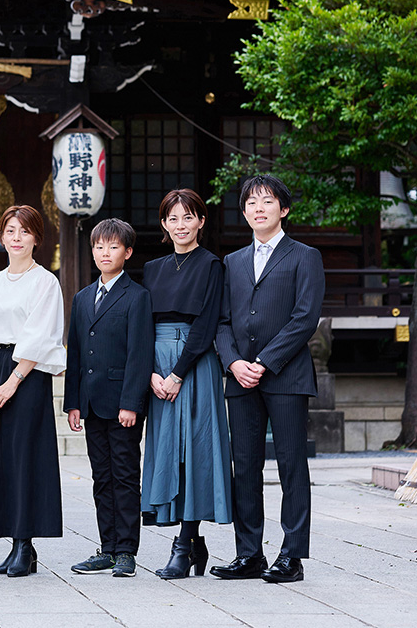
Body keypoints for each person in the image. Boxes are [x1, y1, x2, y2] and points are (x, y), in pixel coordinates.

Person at [212, 174, 324, 584]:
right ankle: (249, 554)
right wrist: (233, 363)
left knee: (292, 465)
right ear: (244, 212)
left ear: (284, 209)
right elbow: (222, 321)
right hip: (240, 378)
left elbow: (305, 317)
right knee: (244, 467)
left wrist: (264, 361)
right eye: (251, 203)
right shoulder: (232, 261)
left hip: (286, 375)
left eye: (267, 201)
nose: (259, 208)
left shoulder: (304, 256)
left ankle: (292, 555)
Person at [140, 189, 232, 579]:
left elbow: (207, 324)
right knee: (167, 451)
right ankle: (195, 545)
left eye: (188, 217)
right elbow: (142, 324)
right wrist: (150, 372)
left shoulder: (212, 265)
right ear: (164, 224)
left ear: (201, 222)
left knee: (194, 451)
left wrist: (177, 373)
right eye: (173, 218)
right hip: (156, 367)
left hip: (193, 363)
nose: (181, 225)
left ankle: (183, 544)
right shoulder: (152, 268)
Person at [0, 205, 66, 577]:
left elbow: (41, 335)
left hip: (28, 372)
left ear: (36, 238)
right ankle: (14, 542)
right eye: (10, 230)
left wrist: (12, 381)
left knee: (27, 456)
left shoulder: (45, 282)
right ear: (1, 236)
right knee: (3, 457)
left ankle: (26, 544)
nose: (16, 238)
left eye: (24, 231)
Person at [65, 218, 153, 578]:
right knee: (101, 477)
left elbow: (140, 354)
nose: (105, 252)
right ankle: (108, 547)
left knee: (125, 475)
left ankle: (126, 550)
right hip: (91, 401)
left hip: (121, 404)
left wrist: (131, 403)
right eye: (99, 246)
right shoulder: (83, 297)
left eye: (113, 246)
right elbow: (75, 353)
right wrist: (73, 402)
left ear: (127, 252)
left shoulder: (137, 296)